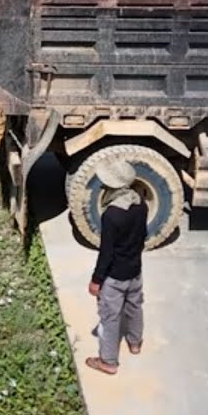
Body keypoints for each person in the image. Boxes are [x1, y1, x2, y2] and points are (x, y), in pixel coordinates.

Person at [85, 160, 147, 376]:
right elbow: (142, 237)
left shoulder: (111, 215)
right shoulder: (141, 203)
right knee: (135, 307)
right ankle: (135, 342)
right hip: (135, 271)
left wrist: (96, 280)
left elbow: (106, 253)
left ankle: (108, 361)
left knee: (110, 319)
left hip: (115, 277)